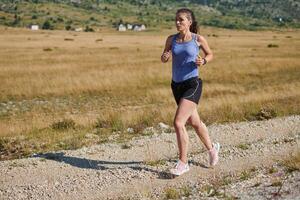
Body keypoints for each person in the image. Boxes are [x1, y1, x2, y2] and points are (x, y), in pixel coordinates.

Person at [161, 8, 220, 176]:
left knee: (179, 122)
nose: (178, 22)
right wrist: (164, 57)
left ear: (189, 22)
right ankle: (212, 149)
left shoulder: (197, 39)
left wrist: (204, 61)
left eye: (181, 20)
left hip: (192, 84)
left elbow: (210, 54)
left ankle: (183, 163)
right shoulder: (171, 39)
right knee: (194, 122)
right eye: (176, 20)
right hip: (176, 86)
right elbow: (164, 56)